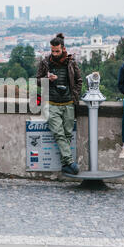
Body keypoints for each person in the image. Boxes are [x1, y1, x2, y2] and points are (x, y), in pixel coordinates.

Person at [36, 33, 83, 175]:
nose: (54, 54)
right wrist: (47, 79)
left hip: (68, 103)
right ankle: (70, 162)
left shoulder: (71, 62)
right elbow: (37, 80)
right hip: (51, 103)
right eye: (52, 51)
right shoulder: (45, 62)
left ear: (63, 48)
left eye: (57, 51)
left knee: (67, 134)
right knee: (59, 133)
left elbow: (79, 80)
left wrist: (75, 94)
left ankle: (65, 166)